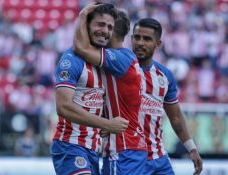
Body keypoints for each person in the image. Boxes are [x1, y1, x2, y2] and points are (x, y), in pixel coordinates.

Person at [50, 3, 129, 175]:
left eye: (109, 27)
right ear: (86, 26)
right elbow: (63, 107)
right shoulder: (71, 60)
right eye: (100, 24)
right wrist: (107, 123)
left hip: (93, 150)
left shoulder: (105, 61)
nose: (105, 31)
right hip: (70, 146)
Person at [73, 4, 147, 175]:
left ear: (111, 32)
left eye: (106, 27)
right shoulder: (126, 58)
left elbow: (80, 48)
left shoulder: (119, 58)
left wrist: (83, 16)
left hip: (122, 147)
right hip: (128, 146)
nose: (102, 31)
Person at [132, 18, 203, 175]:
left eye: (147, 39)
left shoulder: (165, 76)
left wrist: (191, 148)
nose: (140, 43)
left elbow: (175, 117)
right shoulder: (119, 69)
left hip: (158, 157)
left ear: (158, 44)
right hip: (129, 158)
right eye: (137, 37)